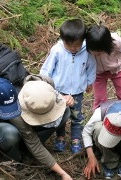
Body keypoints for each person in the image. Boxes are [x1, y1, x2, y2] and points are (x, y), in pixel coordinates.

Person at [8, 75, 76, 180]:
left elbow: (56, 97)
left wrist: (67, 99)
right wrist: (62, 173)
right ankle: (16, 158)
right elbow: (34, 144)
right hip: (12, 128)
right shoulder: (14, 107)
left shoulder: (46, 82)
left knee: (66, 110)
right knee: (8, 135)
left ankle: (35, 145)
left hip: (31, 127)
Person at [40, 18, 96, 154]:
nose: (72, 48)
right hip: (58, 90)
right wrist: (46, 84)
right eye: (69, 45)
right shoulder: (57, 50)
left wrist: (90, 82)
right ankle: (60, 137)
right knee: (59, 114)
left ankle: (76, 139)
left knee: (77, 116)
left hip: (77, 91)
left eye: (76, 45)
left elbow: (91, 67)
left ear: (83, 40)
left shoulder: (87, 51)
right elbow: (47, 69)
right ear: (63, 40)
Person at [85, 24, 121, 110]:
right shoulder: (87, 45)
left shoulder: (115, 41)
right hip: (98, 72)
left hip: (117, 69)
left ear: (107, 46)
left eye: (100, 52)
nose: (97, 55)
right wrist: (88, 82)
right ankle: (100, 112)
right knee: (100, 97)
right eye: (94, 52)